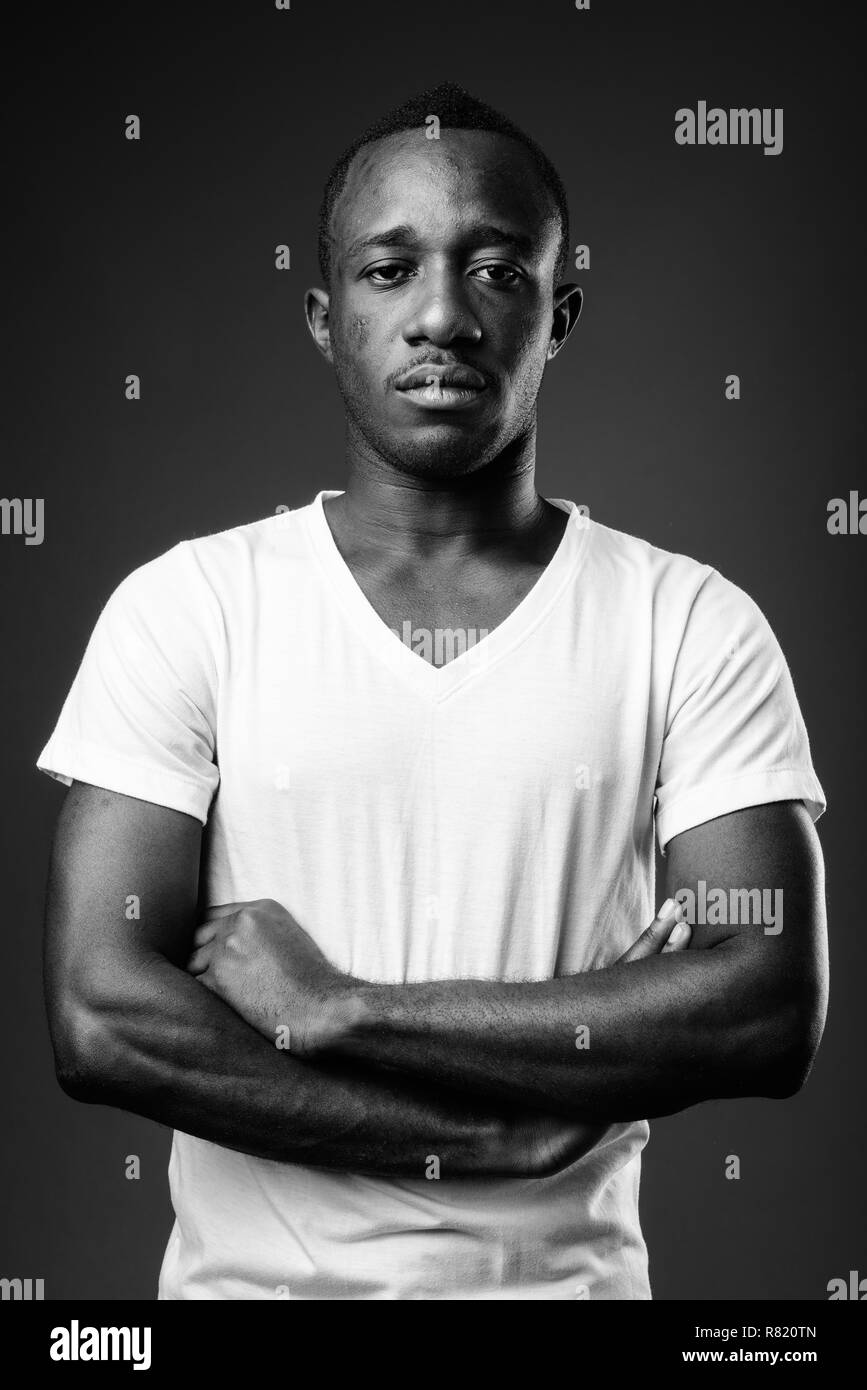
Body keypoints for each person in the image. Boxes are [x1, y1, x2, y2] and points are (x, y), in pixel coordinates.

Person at [37, 81, 828, 1301]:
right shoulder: (187, 606)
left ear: (559, 315)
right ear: (324, 314)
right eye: (390, 270)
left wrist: (341, 1007)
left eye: (499, 271)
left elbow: (766, 1009)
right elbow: (104, 1017)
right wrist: (488, 1136)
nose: (443, 317)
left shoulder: (689, 622)